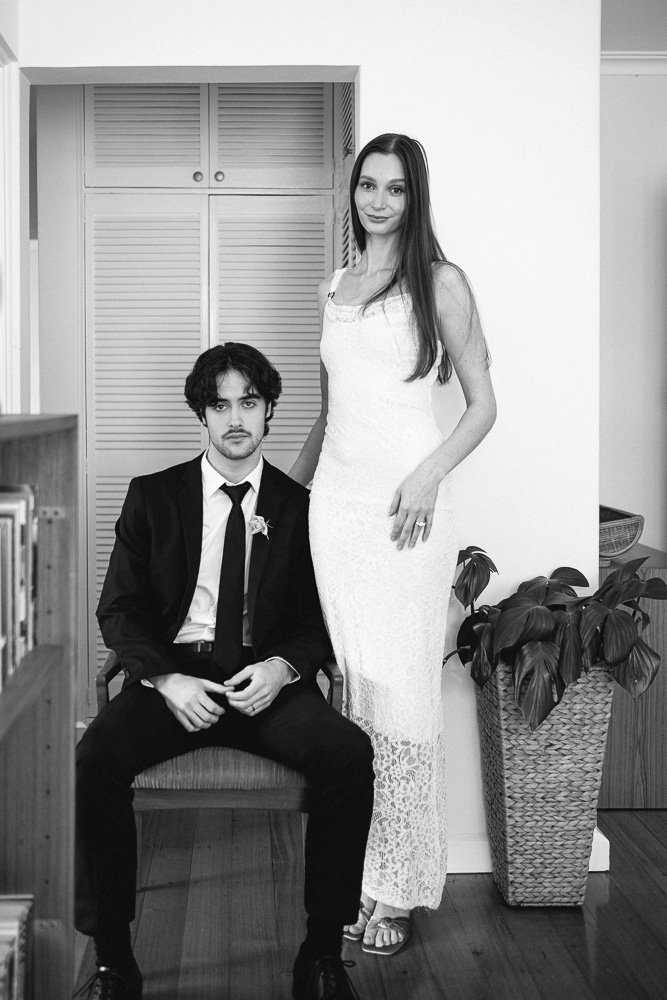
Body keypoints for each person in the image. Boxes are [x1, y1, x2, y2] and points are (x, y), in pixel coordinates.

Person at [75, 343, 374, 1000]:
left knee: (348, 754)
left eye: (248, 402)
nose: (235, 418)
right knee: (94, 758)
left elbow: (317, 617)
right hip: (177, 679)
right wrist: (165, 679)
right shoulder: (153, 497)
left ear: (268, 411)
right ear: (202, 415)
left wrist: (283, 667)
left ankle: (321, 955)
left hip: (264, 682)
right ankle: (113, 960)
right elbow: (118, 608)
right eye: (220, 405)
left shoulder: (300, 506)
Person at [290, 134, 496, 956]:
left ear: (416, 198)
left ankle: (399, 887)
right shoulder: (333, 286)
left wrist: (427, 476)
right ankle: (358, 873)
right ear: (353, 193)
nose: (377, 200)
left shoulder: (440, 283)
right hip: (334, 513)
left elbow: (481, 405)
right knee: (354, 698)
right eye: (367, 185)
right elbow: (328, 412)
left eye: (395, 188)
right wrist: (284, 497)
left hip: (407, 512)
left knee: (403, 695)